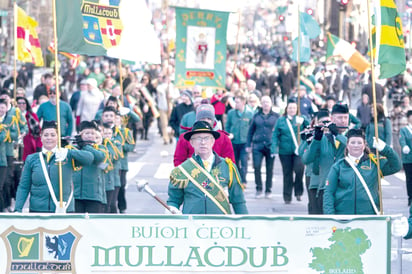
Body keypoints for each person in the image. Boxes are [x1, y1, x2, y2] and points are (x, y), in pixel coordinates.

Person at [167, 121, 248, 214]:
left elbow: (238, 201)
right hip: (192, 225)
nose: (203, 142)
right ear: (191, 142)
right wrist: (172, 208)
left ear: (213, 141)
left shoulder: (228, 167)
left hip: (220, 225)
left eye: (207, 138)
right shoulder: (182, 170)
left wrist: (245, 223)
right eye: (198, 138)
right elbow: (174, 199)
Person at [14, 121, 94, 213]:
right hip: (38, 211)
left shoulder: (66, 156)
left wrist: (69, 152)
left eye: (53, 135)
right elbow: (24, 186)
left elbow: (89, 158)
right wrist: (18, 209)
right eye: (46, 135)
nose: (49, 138)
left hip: (63, 210)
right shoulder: (32, 159)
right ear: (41, 137)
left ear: (58, 137)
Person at [323, 129, 401, 214]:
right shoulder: (338, 166)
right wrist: (330, 215)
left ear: (364, 146)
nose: (356, 145)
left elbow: (396, 166)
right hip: (343, 216)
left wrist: (386, 149)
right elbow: (329, 192)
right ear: (347, 145)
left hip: (368, 215)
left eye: (359, 143)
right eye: (352, 142)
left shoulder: (374, 163)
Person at [301, 103, 350, 213]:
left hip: (346, 190)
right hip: (325, 189)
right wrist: (316, 140)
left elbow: (352, 148)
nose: (343, 121)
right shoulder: (323, 138)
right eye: (340, 117)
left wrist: (337, 135)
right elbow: (306, 159)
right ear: (332, 119)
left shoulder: (352, 136)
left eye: (345, 117)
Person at [272, 99, 309, 203]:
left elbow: (310, 128)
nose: (292, 110)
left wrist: (304, 121)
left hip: (299, 150)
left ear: (297, 109)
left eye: (294, 108)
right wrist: (274, 148)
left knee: (299, 170)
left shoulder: (301, 119)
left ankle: (298, 192)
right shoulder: (281, 120)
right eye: (290, 108)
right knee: (287, 174)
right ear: (286, 109)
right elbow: (275, 135)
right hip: (285, 151)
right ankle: (287, 196)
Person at [246, 96, 280, 198]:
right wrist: (248, 145)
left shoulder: (276, 116)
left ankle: (268, 190)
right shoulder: (256, 116)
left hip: (270, 145)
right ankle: (259, 188)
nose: (266, 104)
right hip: (258, 145)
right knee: (257, 166)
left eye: (268, 102)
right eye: (264, 102)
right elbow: (250, 131)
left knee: (269, 169)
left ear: (271, 104)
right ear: (261, 104)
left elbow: (279, 131)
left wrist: (277, 145)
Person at [72, 121, 106, 213]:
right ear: (80, 134)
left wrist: (85, 146)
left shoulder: (100, 148)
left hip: (93, 195)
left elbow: (100, 158)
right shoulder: (73, 148)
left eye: (92, 133)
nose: (90, 135)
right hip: (76, 194)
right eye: (87, 133)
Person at [226, 93, 254, 186]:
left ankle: (244, 180)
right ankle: (236, 179)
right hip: (234, 141)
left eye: (237, 102)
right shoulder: (231, 113)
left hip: (245, 142)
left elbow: (252, 128)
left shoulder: (250, 113)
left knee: (244, 162)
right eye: (235, 102)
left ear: (243, 102)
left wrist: (251, 142)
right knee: (235, 162)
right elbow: (227, 126)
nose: (235, 104)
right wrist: (228, 134)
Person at [16, 96, 42, 161]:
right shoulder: (12, 116)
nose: (21, 105)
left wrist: (39, 146)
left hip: (30, 146)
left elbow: (38, 131)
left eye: (23, 103)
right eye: (19, 103)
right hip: (16, 144)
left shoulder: (31, 116)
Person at [399, 110, 412, 206]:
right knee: (409, 178)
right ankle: (410, 197)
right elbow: (401, 139)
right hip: (408, 159)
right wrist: (404, 146)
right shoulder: (404, 130)